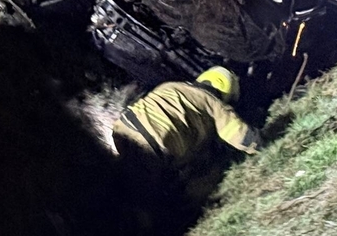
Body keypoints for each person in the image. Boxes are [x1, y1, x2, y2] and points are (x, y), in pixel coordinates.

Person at [111, 67, 261, 216]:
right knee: (153, 194)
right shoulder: (212, 103)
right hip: (155, 142)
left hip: (123, 129)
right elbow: (239, 134)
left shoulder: (170, 86)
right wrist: (261, 144)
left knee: (129, 175)